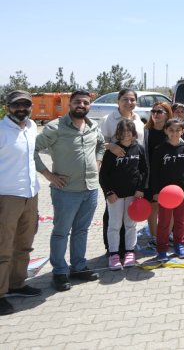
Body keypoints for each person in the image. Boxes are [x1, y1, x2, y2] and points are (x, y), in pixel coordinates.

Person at [35, 90, 105, 292]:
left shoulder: (93, 127)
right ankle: (58, 272)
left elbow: (101, 144)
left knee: (81, 230)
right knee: (61, 232)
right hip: (65, 191)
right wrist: (48, 175)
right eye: (77, 102)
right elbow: (33, 150)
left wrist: (98, 160)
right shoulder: (55, 127)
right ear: (70, 104)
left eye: (86, 102)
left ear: (90, 106)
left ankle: (79, 267)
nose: (81, 105)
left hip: (90, 189)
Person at [0, 90, 42, 314]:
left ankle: (17, 283)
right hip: (6, 196)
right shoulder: (1, 130)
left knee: (24, 244)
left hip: (30, 194)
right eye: (17, 106)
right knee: (3, 246)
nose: (22, 109)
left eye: (26, 105)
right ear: (7, 107)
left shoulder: (32, 127)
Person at [98, 88, 146, 257]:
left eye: (132, 99)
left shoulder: (137, 119)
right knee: (112, 215)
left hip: (133, 172)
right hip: (114, 175)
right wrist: (111, 146)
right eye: (125, 99)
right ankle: (111, 249)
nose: (129, 103)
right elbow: (98, 143)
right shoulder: (108, 120)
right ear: (118, 101)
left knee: (129, 215)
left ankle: (127, 248)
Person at [150, 118, 184, 262]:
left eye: (178, 130)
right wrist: (156, 192)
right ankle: (162, 249)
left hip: (182, 192)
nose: (174, 133)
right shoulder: (159, 150)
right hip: (165, 194)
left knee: (180, 221)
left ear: (182, 131)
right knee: (163, 222)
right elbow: (154, 173)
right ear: (166, 131)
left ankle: (179, 245)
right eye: (171, 130)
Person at [143, 102, 172, 247]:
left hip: (169, 176)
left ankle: (168, 234)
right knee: (153, 208)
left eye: (159, 111)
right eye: (153, 111)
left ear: (167, 114)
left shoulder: (171, 131)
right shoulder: (145, 132)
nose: (155, 114)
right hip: (151, 177)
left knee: (168, 208)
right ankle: (154, 237)